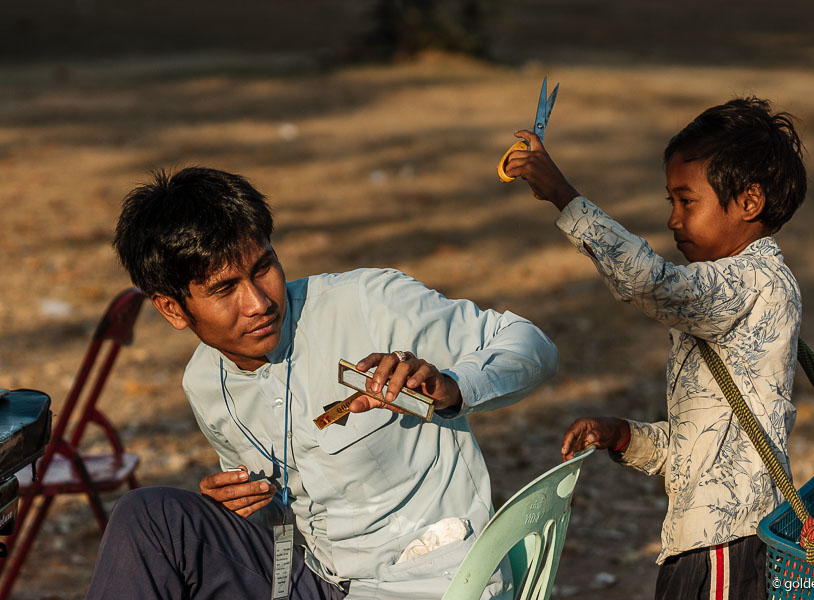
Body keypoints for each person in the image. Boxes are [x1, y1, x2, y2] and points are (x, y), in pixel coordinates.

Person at [86, 166, 558, 599]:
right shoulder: (205, 384)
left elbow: (531, 344)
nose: (258, 303)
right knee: (148, 518)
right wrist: (242, 506)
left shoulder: (368, 303)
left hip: (428, 578)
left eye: (263, 268)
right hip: (314, 578)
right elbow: (285, 521)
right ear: (172, 309)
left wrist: (452, 386)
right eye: (225, 289)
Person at [503, 97, 806, 600]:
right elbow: (699, 450)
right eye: (672, 202)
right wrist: (624, 437)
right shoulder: (722, 294)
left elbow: (651, 282)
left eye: (687, 201)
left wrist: (562, 194)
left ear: (750, 203)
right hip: (701, 543)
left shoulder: (755, 279)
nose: (673, 219)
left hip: (728, 544)